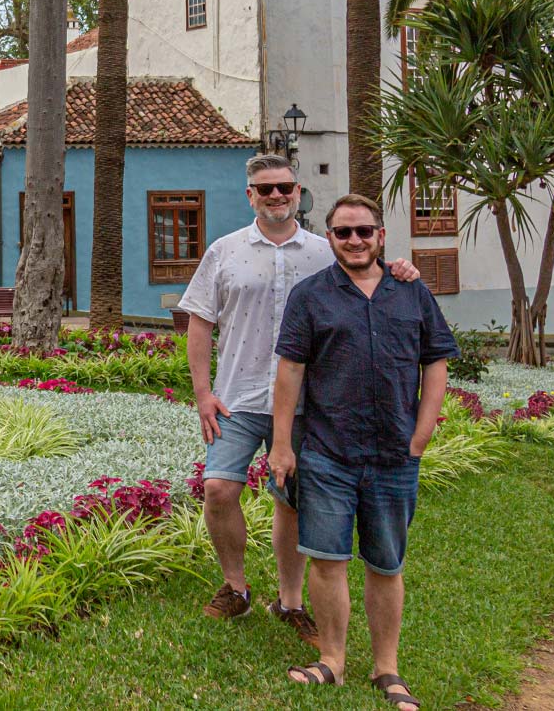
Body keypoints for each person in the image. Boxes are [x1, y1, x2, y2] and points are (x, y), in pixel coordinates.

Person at [178, 152, 419, 642]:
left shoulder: (324, 249)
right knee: (219, 488)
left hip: (311, 403)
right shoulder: (224, 251)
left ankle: (289, 602)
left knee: (291, 502)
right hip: (237, 398)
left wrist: (402, 269)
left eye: (285, 187)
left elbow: (367, 266)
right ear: (251, 195)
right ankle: (236, 587)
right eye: (265, 188)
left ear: (298, 192)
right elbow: (200, 323)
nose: (276, 196)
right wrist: (203, 393)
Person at [269, 193, 457, 710]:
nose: (355, 240)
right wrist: (282, 445)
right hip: (329, 451)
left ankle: (387, 669)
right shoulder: (310, 296)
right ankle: (331, 661)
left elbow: (436, 360)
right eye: (343, 232)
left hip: (395, 453)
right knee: (327, 560)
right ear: (329, 238)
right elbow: (290, 369)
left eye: (364, 231)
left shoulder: (410, 292)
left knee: (385, 563)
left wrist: (422, 434)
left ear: (381, 236)